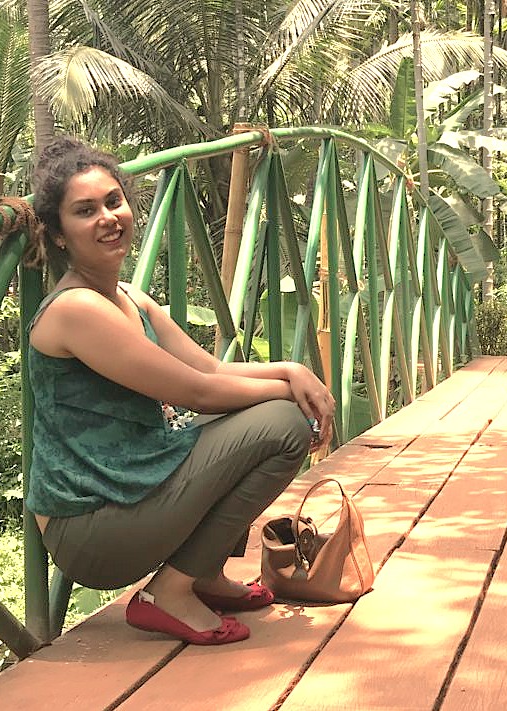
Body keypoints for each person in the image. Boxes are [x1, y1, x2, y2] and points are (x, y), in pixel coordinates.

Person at [24, 136, 335, 646]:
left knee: (262, 413)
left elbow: (210, 368)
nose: (107, 217)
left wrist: (291, 369)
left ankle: (201, 574)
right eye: (85, 211)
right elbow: (200, 393)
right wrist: (288, 388)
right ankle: (168, 593)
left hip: (135, 487)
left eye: (113, 201)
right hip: (91, 526)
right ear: (59, 235)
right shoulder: (75, 310)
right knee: (283, 424)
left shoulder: (128, 297)